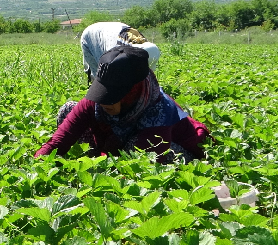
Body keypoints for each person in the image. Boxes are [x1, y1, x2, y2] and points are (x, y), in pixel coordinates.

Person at [35, 46, 209, 164]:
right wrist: (36, 165)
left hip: (171, 149)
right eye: (102, 92)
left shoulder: (160, 113)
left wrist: (96, 169)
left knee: (138, 150)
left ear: (133, 92)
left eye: (113, 95)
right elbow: (58, 141)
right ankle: (98, 156)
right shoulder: (96, 101)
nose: (103, 101)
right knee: (68, 109)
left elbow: (132, 166)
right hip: (115, 146)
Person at [81, 22, 160, 82]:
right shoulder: (116, 53)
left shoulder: (149, 49)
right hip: (92, 35)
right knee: (102, 77)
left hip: (114, 30)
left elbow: (147, 75)